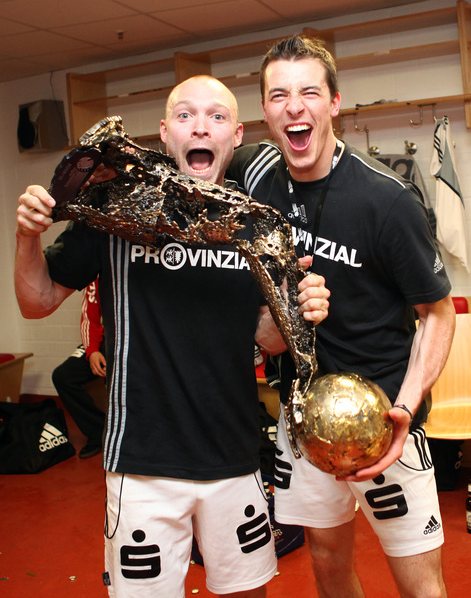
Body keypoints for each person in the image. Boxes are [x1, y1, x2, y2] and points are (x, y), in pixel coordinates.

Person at [15, 75, 329, 598]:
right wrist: (27, 237)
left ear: (235, 135)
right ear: (165, 132)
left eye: (216, 117)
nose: (200, 127)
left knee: (248, 592)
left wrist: (298, 311)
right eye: (185, 115)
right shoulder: (113, 210)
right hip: (142, 463)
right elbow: (38, 300)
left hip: (234, 456)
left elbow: (267, 339)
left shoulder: (251, 224)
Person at [226, 36, 456, 598]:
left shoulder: (387, 199)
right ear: (264, 112)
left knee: (420, 582)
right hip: (304, 421)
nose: (294, 107)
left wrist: (404, 409)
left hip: (384, 419)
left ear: (334, 102)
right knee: (327, 561)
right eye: (278, 95)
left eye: (309, 92)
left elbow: (438, 314)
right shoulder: (256, 180)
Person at [52, 278, 106, 459]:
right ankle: (99, 431)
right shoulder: (97, 275)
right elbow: (90, 317)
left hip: (137, 342)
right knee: (63, 376)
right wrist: (92, 351)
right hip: (106, 340)